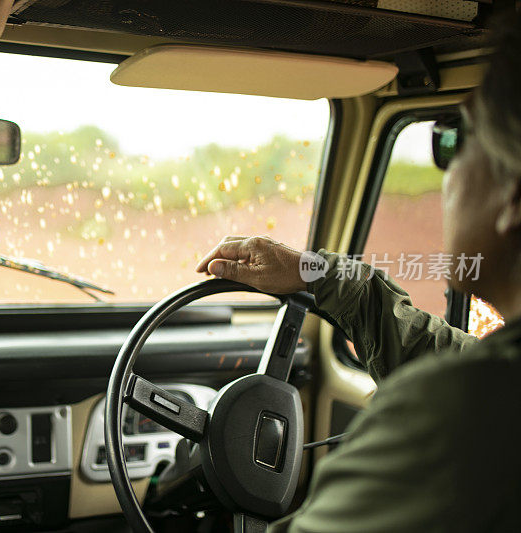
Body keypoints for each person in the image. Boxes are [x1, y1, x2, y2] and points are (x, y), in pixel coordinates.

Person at [196, 13, 521, 533]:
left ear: (513, 198)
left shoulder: (460, 410)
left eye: (458, 139)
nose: (449, 172)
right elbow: (438, 353)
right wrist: (312, 272)